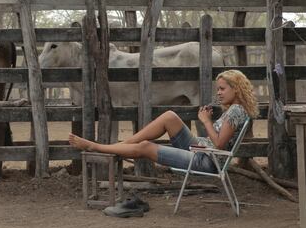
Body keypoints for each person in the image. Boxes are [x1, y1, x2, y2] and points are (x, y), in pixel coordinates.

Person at [69, 69, 259, 173]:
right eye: (218, 89)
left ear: (236, 89)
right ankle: (123, 145)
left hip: (207, 160)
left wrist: (205, 121)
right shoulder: (237, 110)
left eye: (222, 89)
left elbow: (219, 145)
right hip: (201, 149)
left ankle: (97, 147)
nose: (218, 93)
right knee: (170, 117)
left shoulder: (236, 111)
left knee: (145, 147)